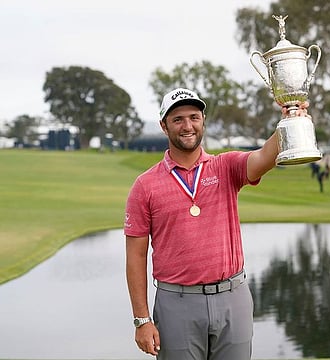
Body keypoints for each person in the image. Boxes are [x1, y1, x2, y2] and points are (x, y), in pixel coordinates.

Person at [124, 87, 311, 359]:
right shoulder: (145, 185)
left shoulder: (225, 166)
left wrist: (290, 121)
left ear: (203, 121)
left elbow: (263, 157)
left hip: (232, 297)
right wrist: (142, 320)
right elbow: (135, 256)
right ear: (164, 126)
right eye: (178, 119)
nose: (187, 125)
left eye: (194, 117)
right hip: (177, 303)